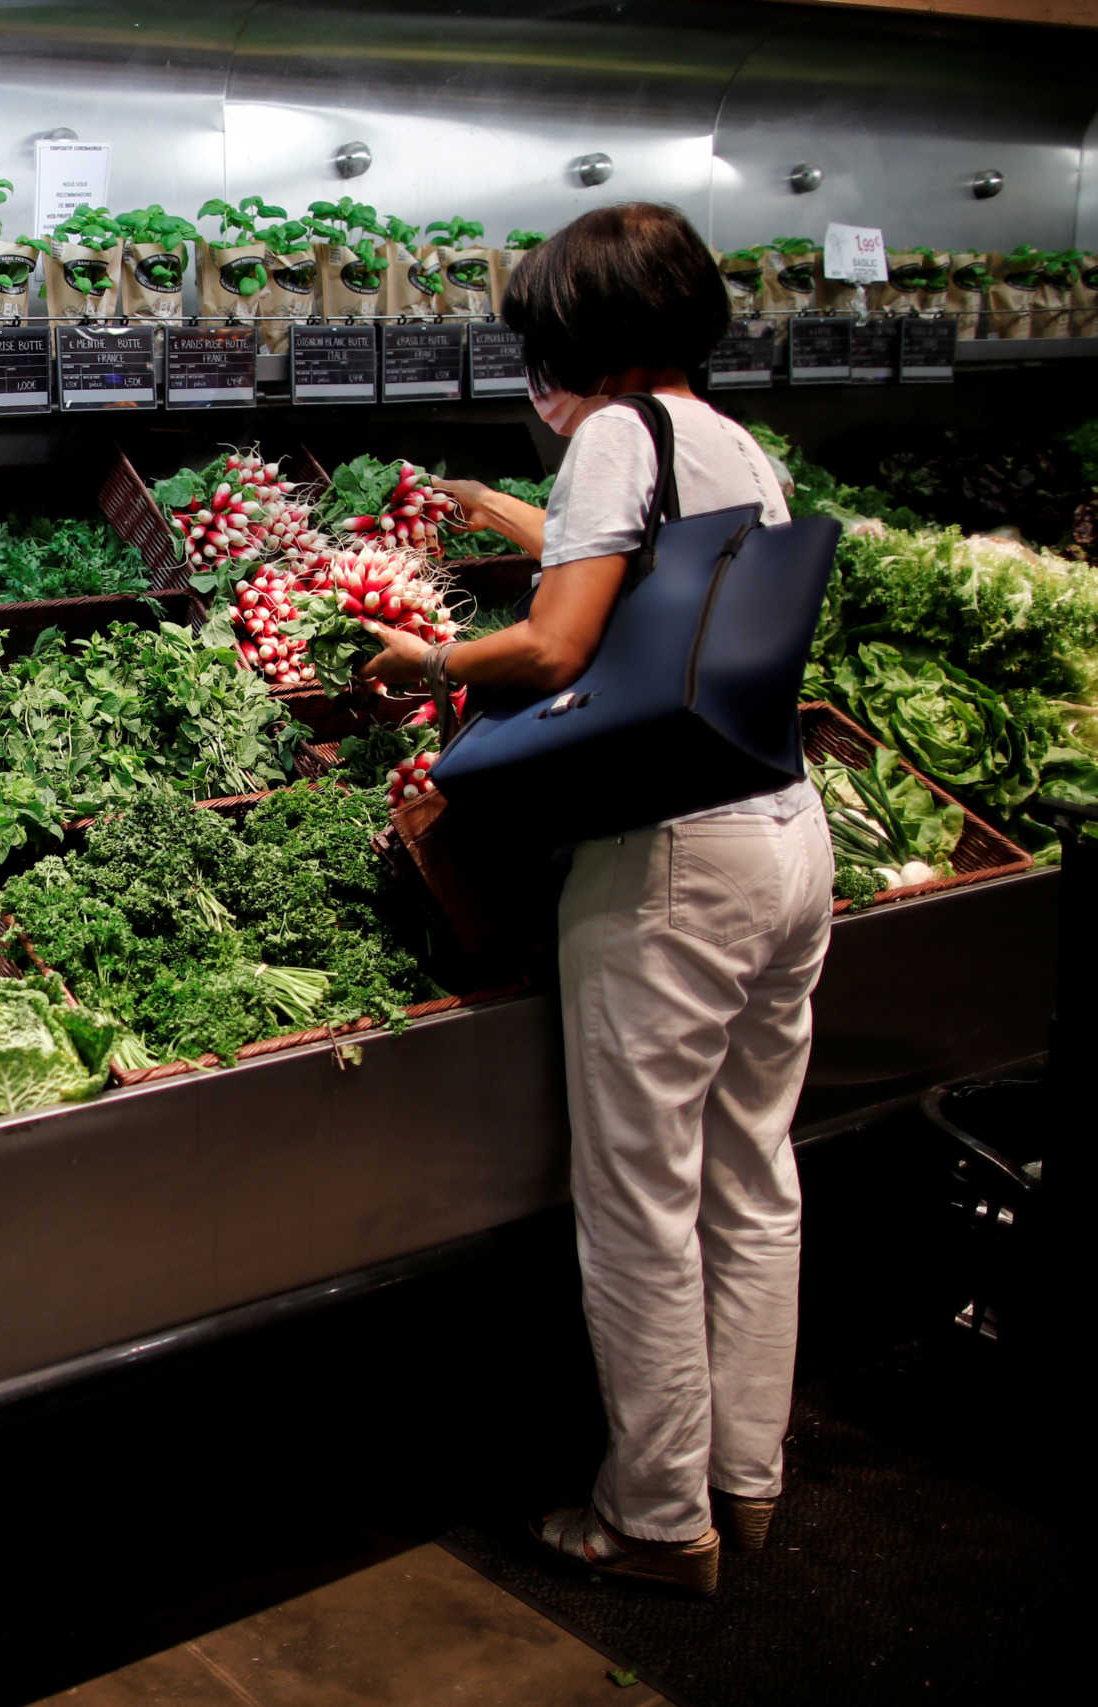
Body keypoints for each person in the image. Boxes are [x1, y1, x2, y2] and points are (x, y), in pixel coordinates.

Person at [359, 202, 832, 1598]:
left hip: (672, 862)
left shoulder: (617, 435)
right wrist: (496, 508)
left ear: (585, 335)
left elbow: (563, 636)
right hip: (782, 834)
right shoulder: (728, 439)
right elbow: (646, 573)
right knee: (756, 1179)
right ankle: (748, 1479)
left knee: (638, 1201)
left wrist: (426, 654)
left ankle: (652, 1516)